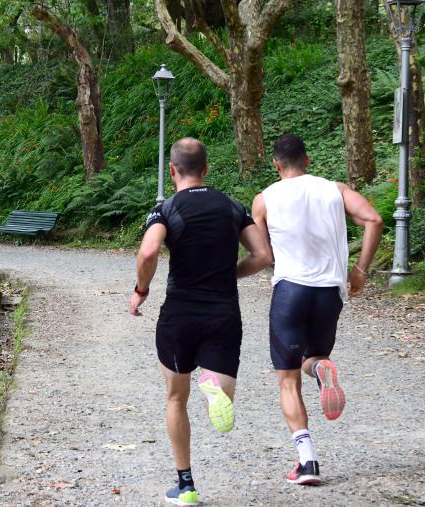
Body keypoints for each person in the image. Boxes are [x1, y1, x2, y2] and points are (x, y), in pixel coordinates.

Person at [129, 137, 272, 506]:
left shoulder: (166, 209)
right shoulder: (232, 206)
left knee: (176, 398)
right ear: (206, 168)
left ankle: (186, 485)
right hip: (224, 313)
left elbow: (148, 251)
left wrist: (141, 289)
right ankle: (212, 387)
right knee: (220, 397)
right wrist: (228, 273)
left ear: (172, 170)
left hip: (180, 314)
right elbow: (263, 255)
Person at [250, 134, 383, 485]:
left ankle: (307, 462)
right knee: (315, 357)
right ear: (307, 160)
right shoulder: (335, 190)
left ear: (276, 165)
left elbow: (262, 255)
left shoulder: (264, 199)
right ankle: (322, 368)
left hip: (290, 291)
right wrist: (360, 270)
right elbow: (374, 220)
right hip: (329, 293)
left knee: (288, 379)